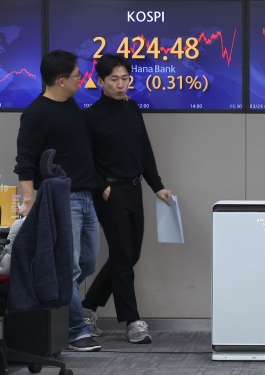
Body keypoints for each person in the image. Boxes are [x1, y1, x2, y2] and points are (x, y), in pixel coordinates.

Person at [81, 54, 172, 344]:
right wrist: (100, 187)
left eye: (125, 79)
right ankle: (132, 322)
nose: (121, 85)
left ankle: (87, 307)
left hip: (134, 190)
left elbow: (144, 150)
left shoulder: (132, 109)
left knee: (130, 255)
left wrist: (157, 186)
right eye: (114, 79)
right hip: (109, 193)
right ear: (100, 81)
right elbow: (83, 160)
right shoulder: (91, 116)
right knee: (122, 258)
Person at [14, 50, 101, 351]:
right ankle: (76, 331)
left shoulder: (71, 104)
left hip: (86, 196)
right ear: (61, 81)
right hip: (62, 198)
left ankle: (60, 312)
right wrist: (29, 200)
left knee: (87, 261)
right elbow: (24, 162)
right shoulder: (36, 113)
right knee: (69, 267)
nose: (82, 80)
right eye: (78, 76)